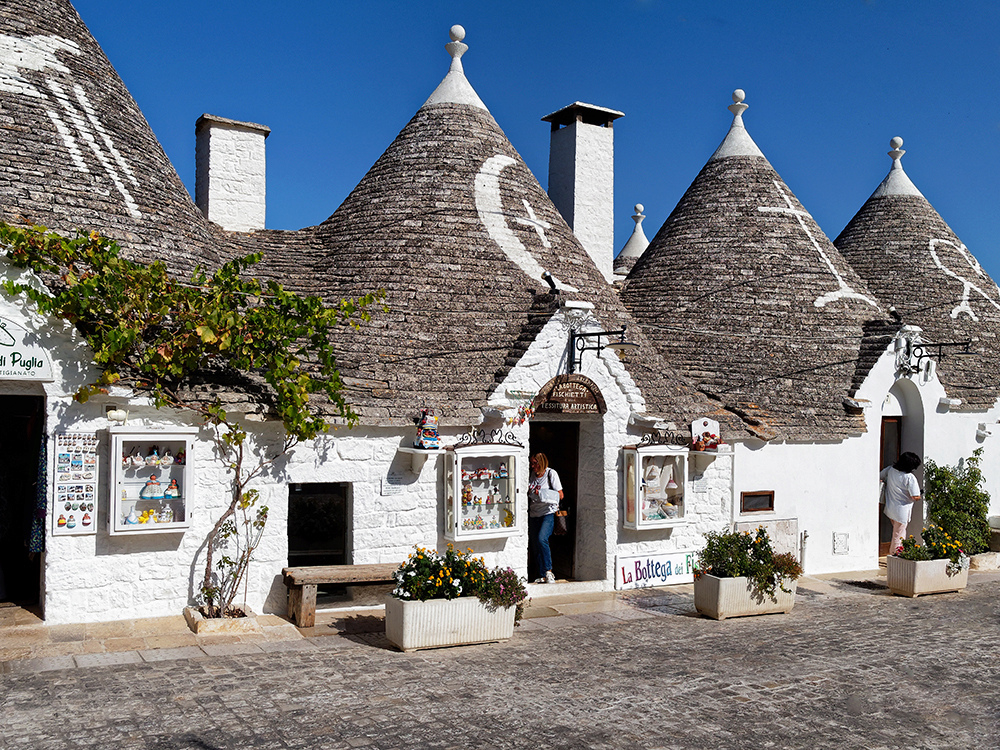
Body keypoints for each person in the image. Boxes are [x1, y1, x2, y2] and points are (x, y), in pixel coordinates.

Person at [528, 452, 564, 584]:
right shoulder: (532, 475)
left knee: (542, 539)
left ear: (541, 463)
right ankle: (542, 574)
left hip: (547, 513)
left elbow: (560, 495)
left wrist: (542, 493)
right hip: (534, 514)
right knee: (535, 544)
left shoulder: (550, 474)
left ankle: (549, 571)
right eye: (531, 463)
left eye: (534, 463)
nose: (532, 466)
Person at [880, 451, 922, 556]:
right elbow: (915, 496)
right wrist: (920, 494)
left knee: (897, 533)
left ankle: (896, 553)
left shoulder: (890, 470)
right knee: (899, 535)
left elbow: (880, 476)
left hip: (890, 508)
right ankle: (895, 556)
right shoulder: (909, 477)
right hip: (902, 511)